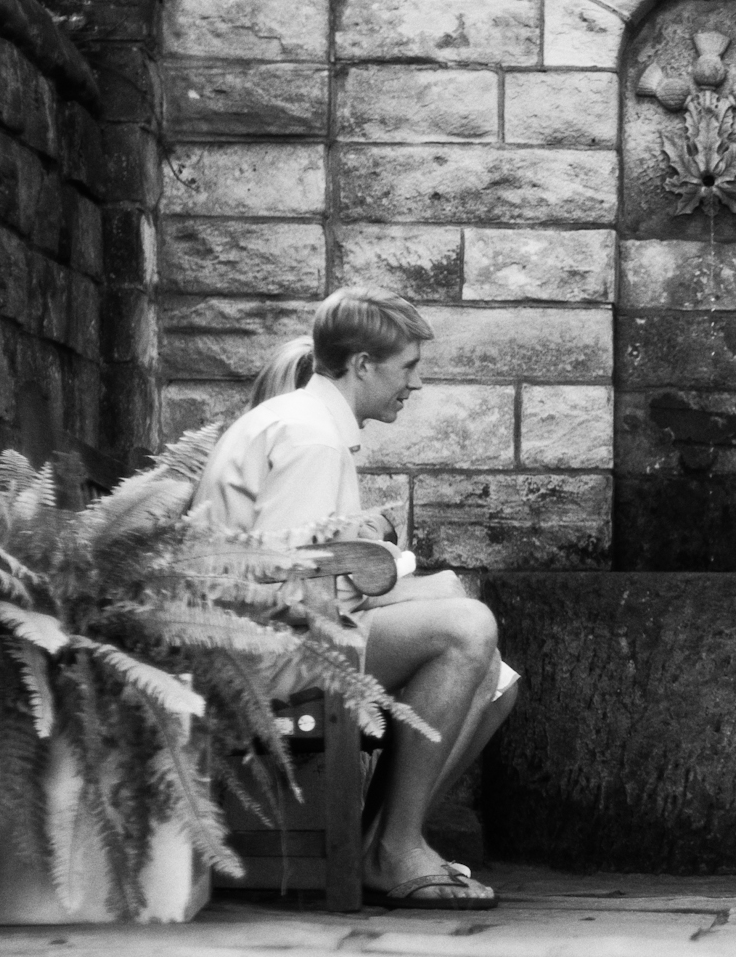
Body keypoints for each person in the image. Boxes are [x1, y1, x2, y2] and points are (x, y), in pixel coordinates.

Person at [191, 287, 516, 910]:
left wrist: (391, 578)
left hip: (263, 635)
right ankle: (393, 850)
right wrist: (390, 578)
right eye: (408, 367)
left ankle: (384, 844)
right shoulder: (311, 438)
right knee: (466, 628)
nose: (416, 383)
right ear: (363, 364)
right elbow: (288, 585)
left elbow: (297, 566)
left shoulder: (304, 423)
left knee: (498, 679)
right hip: (260, 656)